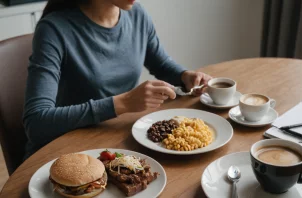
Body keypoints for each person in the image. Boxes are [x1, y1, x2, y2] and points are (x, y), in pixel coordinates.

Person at [23, 0, 212, 158]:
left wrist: (184, 76)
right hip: (63, 151)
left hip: (116, 140)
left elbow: (160, 63)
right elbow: (37, 123)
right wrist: (122, 103)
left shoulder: (137, 14)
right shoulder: (53, 30)